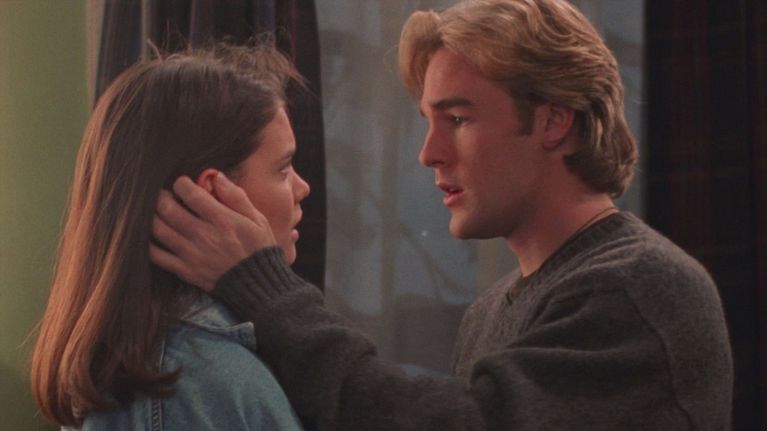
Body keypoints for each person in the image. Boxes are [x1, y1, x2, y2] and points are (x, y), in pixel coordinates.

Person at [150, 0, 734, 429]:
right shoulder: (490, 312)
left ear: (554, 121)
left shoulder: (641, 287)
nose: (428, 152)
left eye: (457, 119)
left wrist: (264, 289)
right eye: (428, 122)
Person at [30, 42, 311, 430]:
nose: (302, 187)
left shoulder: (188, 363)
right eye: (283, 169)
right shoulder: (189, 382)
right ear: (213, 196)